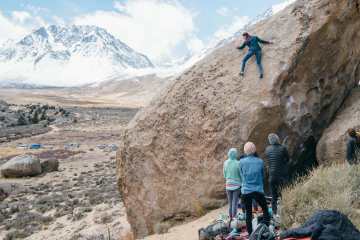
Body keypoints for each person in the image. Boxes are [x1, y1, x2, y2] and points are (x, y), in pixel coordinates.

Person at [239, 142, 270, 235]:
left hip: (246, 191)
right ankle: (265, 229)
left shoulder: (241, 162)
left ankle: (250, 234)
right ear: (254, 150)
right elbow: (263, 175)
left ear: (245, 151)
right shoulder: (260, 161)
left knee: (248, 213)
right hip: (258, 189)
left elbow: (241, 176)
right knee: (265, 209)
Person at [265, 133, 290, 216]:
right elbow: (287, 159)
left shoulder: (267, 149)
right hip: (281, 176)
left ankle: (275, 213)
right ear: (277, 139)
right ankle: (285, 211)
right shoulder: (283, 148)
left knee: (273, 196)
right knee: (284, 194)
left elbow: (269, 161)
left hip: (272, 176)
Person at [223, 148, 242, 219]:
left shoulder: (225, 163)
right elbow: (241, 175)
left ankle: (230, 217)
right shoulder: (238, 163)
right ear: (235, 154)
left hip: (228, 185)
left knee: (230, 203)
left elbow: (224, 175)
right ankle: (234, 218)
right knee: (235, 203)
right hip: (236, 186)